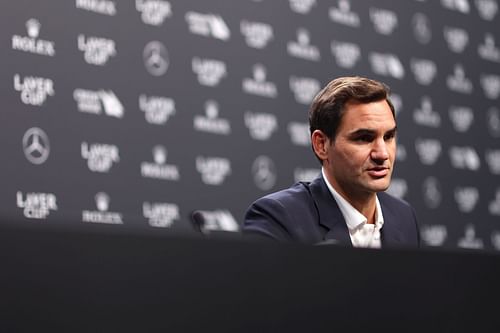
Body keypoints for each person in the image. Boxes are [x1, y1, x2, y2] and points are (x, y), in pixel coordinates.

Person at [243, 76, 420, 248]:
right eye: (364, 138)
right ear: (321, 145)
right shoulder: (278, 219)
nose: (382, 154)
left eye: (388, 136)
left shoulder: (404, 217)